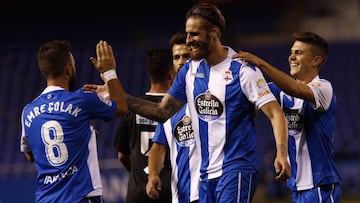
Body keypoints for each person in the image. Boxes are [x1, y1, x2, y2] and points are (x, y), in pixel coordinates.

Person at [123, 3, 291, 203]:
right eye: (187, 34)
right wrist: (118, 97)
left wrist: (282, 152)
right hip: (205, 176)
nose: (188, 41)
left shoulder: (243, 71)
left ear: (214, 32)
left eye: (194, 34)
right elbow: (162, 112)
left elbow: (275, 113)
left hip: (236, 169)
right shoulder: (189, 71)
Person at [233, 31, 342, 203]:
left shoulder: (324, 88)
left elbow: (295, 90)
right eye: (291, 52)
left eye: (298, 53)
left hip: (320, 186)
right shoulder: (279, 92)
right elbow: (250, 95)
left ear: (316, 60)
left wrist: (261, 64)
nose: (291, 57)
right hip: (296, 188)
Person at [20, 40, 128, 203]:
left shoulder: (27, 111)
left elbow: (30, 155)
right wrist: (109, 72)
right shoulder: (82, 99)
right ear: (69, 69)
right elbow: (121, 107)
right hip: (81, 197)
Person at [113, 48, 174, 203]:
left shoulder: (133, 108)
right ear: (171, 74)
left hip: (138, 192)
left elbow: (122, 154)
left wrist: (138, 174)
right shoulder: (179, 108)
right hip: (171, 191)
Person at [146, 32, 200, 203]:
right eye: (176, 57)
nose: (181, 61)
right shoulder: (168, 106)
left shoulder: (211, 92)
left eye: (186, 55)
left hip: (212, 189)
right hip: (182, 194)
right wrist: (153, 174)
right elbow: (158, 146)